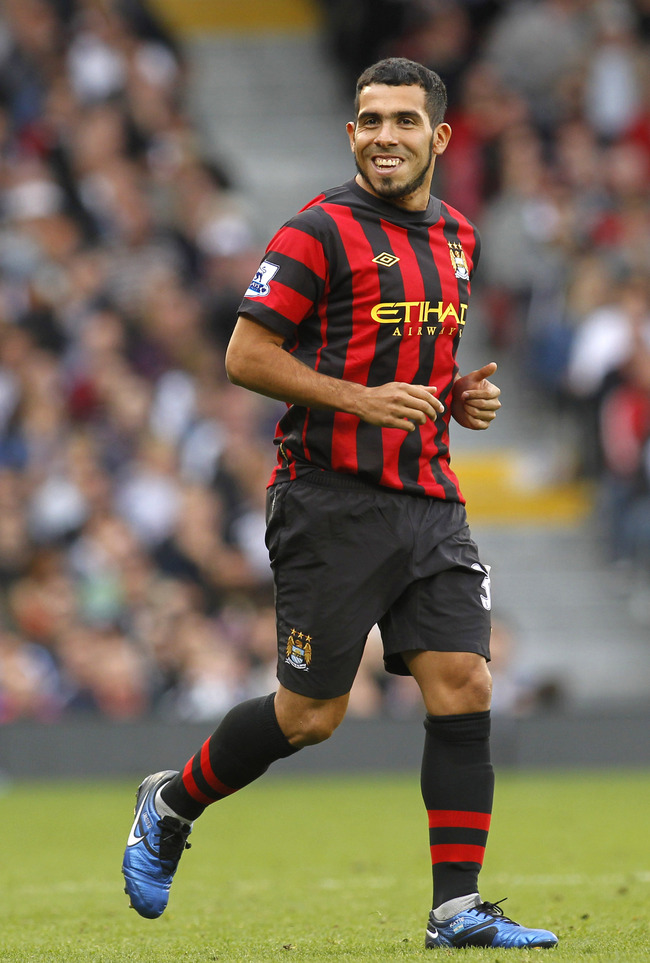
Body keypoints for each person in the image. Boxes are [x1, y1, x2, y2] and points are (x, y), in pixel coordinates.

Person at [122, 57, 559, 950]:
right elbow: (246, 355)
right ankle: (171, 801)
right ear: (351, 132)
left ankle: (456, 910)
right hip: (328, 498)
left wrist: (460, 396)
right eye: (369, 120)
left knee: (464, 681)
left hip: (429, 496)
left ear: (438, 137)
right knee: (311, 715)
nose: (384, 136)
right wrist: (361, 401)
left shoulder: (459, 239)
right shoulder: (318, 229)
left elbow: (417, 363)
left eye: (403, 121)